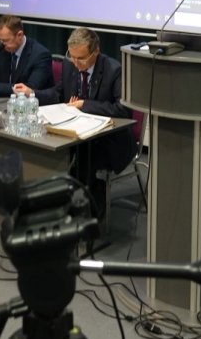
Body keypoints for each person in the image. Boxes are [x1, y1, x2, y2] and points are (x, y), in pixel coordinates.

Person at [13, 27, 135, 214]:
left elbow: (123, 110)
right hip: (74, 133)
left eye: (81, 59)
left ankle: (89, 213)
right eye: (72, 57)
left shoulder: (114, 70)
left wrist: (85, 105)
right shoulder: (69, 64)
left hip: (108, 140)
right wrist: (33, 93)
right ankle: (52, 202)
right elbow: (58, 94)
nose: (76, 63)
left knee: (84, 159)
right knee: (47, 148)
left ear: (96, 51)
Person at [0, 14, 54, 97]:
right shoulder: (0, 50)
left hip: (30, 102)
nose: (1, 44)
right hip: (4, 100)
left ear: (19, 35)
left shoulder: (40, 55)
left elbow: (30, 88)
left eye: (5, 40)